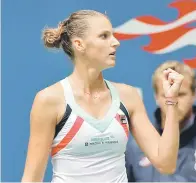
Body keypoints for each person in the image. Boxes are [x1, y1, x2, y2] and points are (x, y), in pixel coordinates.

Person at [21, 10, 184, 183]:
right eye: (104, 36)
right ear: (79, 44)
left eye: (112, 35)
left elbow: (166, 164)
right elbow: (32, 179)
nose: (116, 42)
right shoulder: (49, 100)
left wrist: (171, 102)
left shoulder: (128, 96)